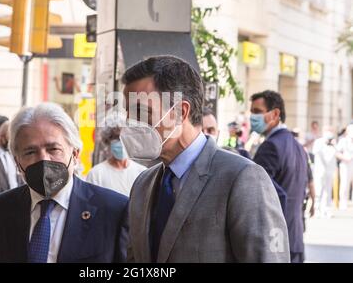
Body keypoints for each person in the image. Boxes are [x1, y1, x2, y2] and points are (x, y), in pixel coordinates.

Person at [121, 56, 289, 263]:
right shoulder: (142, 184)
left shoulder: (242, 178)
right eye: (128, 113)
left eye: (141, 111)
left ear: (180, 112)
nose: (130, 123)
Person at [0, 103, 128, 263]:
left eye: (53, 149)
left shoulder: (115, 210)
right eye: (30, 152)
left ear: (75, 154)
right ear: (17, 162)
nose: (43, 159)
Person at [250, 90, 309, 263]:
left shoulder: (271, 147)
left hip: (276, 241)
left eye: (257, 112)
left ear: (275, 114)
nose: (252, 117)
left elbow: (258, 195)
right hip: (295, 238)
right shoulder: (297, 145)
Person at [86, 118, 146, 197]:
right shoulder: (96, 174)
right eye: (117, 139)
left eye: (125, 138)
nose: (121, 143)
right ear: (107, 141)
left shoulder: (142, 173)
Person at [312, 127, 338, 218]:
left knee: (328, 191)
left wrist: (333, 145)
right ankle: (316, 209)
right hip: (320, 170)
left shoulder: (333, 145)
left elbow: (335, 155)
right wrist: (325, 144)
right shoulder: (319, 142)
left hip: (329, 171)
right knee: (319, 190)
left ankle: (326, 209)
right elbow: (316, 152)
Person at [337, 124, 353, 210]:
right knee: (345, 184)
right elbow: (337, 152)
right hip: (346, 165)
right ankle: (343, 203)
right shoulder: (343, 141)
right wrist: (344, 158)